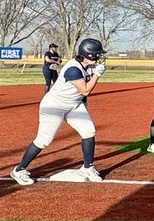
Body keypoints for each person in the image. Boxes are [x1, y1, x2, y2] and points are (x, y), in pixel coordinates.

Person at [10, 38, 106, 185]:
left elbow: (82, 94)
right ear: (89, 55)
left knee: (89, 132)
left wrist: (84, 104)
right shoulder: (73, 69)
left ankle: (87, 167)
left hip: (73, 104)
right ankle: (19, 170)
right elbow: (85, 90)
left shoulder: (89, 66)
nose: (100, 57)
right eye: (97, 54)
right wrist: (97, 75)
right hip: (54, 106)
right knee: (44, 140)